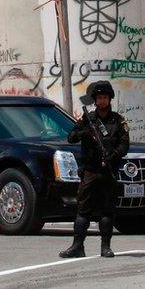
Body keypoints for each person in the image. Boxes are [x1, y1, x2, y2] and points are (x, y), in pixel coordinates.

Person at [59, 80, 130, 259]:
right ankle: (77, 246)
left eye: (105, 97)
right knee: (83, 210)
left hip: (109, 172)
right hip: (90, 171)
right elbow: (71, 137)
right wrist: (86, 133)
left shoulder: (118, 121)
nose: (102, 101)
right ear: (95, 100)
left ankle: (105, 247)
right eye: (99, 98)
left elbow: (124, 145)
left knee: (107, 211)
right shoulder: (88, 119)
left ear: (110, 99)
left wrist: (112, 155)